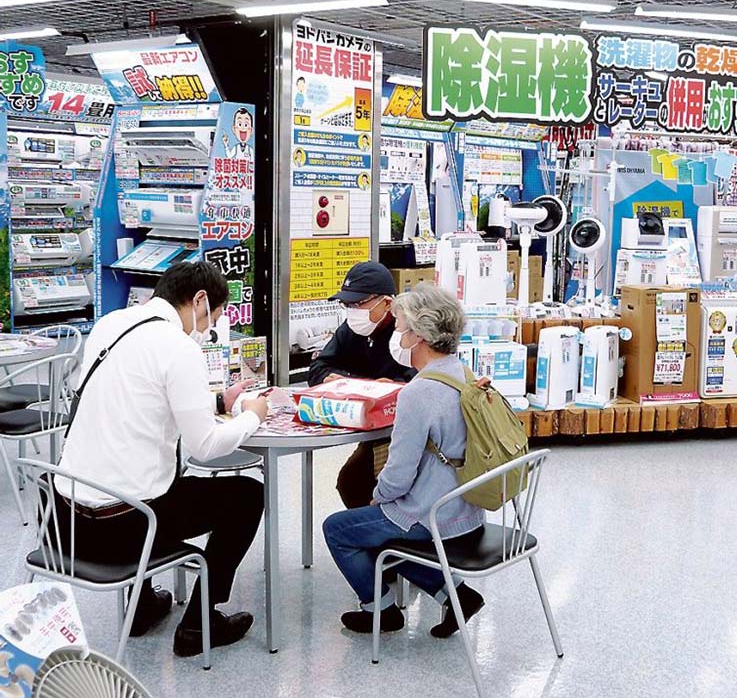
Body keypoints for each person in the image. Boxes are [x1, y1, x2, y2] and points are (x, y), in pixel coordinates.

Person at [55, 262, 270, 658]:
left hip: (65, 521)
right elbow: (205, 446)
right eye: (213, 318)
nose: (205, 330)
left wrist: (215, 401)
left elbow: (135, 401)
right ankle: (200, 624)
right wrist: (251, 415)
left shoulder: (109, 325)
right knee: (246, 495)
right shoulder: (179, 346)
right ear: (200, 299)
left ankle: (142, 607)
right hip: (127, 527)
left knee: (148, 473)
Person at [323, 283, 485, 636]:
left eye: (399, 329)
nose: (396, 336)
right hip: (466, 509)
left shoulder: (418, 393)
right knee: (378, 529)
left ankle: (381, 610)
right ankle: (455, 594)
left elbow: (398, 474)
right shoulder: (465, 374)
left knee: (339, 529)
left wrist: (377, 498)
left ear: (419, 337)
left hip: (430, 515)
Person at [308, 261, 415, 508]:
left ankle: (387, 535)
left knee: (366, 481)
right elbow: (318, 366)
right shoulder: (351, 330)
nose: (352, 311)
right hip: (365, 422)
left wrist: (394, 386)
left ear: (387, 303)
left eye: (359, 304)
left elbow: (423, 378)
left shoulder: (408, 332)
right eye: (347, 304)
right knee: (351, 482)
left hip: (403, 430)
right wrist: (333, 378)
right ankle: (371, 536)